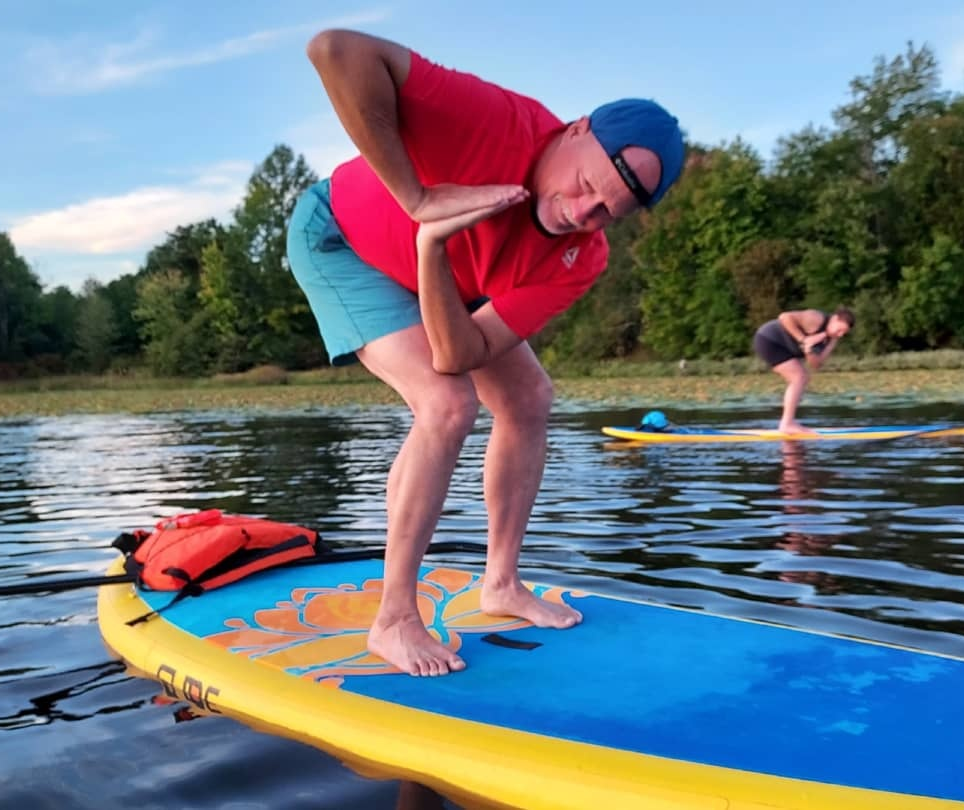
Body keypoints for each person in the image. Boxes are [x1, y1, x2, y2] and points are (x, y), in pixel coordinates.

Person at [286, 29, 684, 676]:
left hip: (439, 272)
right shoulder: (496, 120)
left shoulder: (581, 258)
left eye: (607, 213)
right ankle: (393, 619)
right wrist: (417, 202)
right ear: (575, 129)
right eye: (585, 184)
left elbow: (459, 349)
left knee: (528, 397)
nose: (581, 212)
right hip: (345, 241)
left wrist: (432, 246)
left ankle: (500, 584)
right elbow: (335, 50)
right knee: (446, 408)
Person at [753, 307, 854, 434]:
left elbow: (816, 364)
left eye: (843, 333)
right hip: (768, 339)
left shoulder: (831, 339)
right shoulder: (816, 318)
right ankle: (787, 424)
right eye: (839, 330)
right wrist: (804, 340)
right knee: (799, 377)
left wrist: (809, 349)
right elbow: (784, 317)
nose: (840, 335)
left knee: (802, 377)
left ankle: (788, 422)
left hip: (782, 348)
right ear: (834, 319)